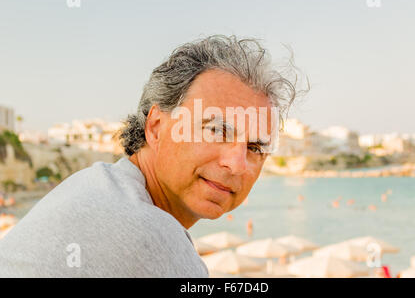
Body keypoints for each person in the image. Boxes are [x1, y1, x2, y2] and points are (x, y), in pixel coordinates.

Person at [0, 35, 298, 277]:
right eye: (217, 130)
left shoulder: (97, 187)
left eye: (255, 147)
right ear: (155, 127)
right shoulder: (146, 235)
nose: (236, 164)